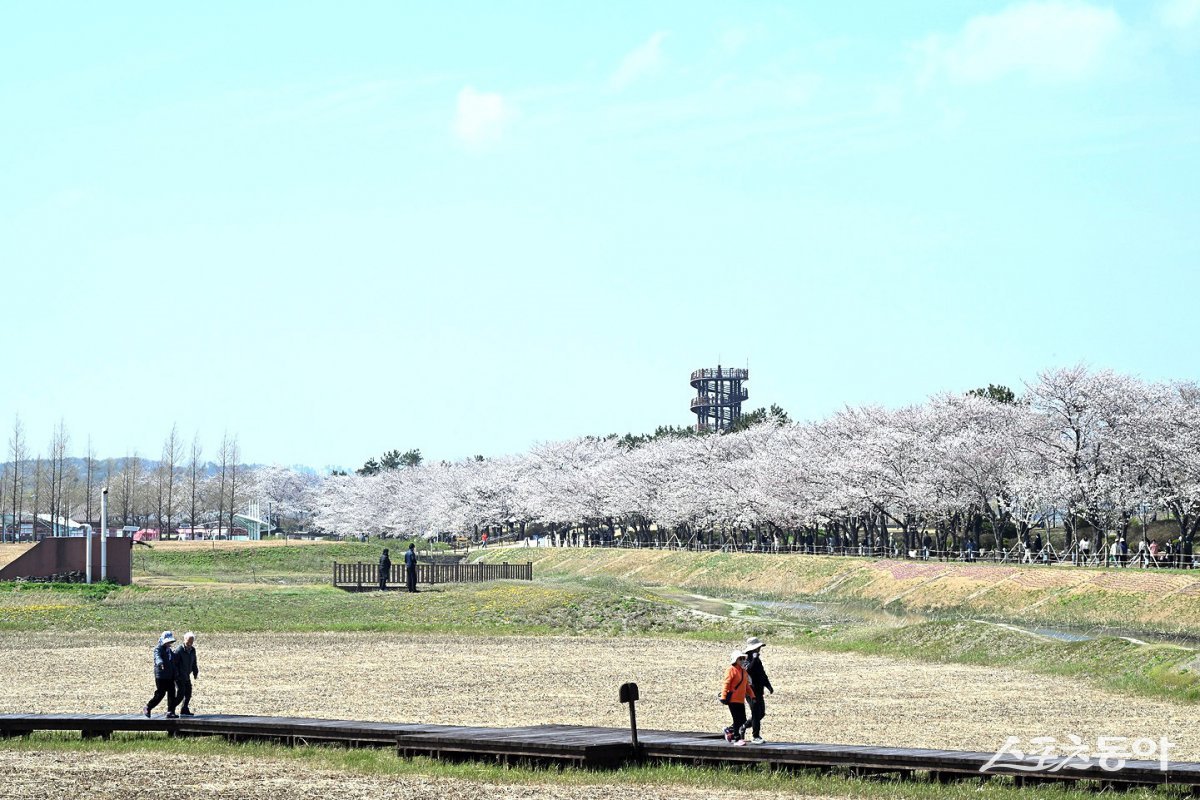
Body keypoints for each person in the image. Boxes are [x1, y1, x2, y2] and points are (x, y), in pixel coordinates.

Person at [717, 650, 755, 746]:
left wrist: (753, 696)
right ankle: (738, 739)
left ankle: (729, 731)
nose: (742, 660)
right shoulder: (731, 669)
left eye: (743, 658)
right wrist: (724, 696)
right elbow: (726, 683)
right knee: (737, 719)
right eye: (740, 658)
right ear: (735, 659)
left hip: (740, 700)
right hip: (733, 700)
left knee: (742, 719)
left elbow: (747, 686)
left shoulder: (743, 671)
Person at [743, 636, 774, 744]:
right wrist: (755, 659)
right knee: (756, 713)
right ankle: (755, 736)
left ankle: (744, 726)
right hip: (750, 691)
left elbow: (762, 674)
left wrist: (768, 685)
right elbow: (748, 671)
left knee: (761, 713)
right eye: (758, 647)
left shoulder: (757, 659)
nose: (759, 649)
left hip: (759, 690)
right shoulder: (746, 659)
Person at [143, 631, 178, 719]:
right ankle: (148, 707)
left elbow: (173, 661)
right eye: (167, 642)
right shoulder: (158, 649)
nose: (169, 643)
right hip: (161, 676)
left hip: (170, 675)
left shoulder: (169, 650)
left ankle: (170, 711)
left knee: (172, 693)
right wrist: (160, 663)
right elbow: (157, 657)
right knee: (160, 694)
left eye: (170, 642)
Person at [174, 632, 200, 716]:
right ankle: (171, 709)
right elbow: (174, 664)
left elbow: (194, 661)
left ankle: (184, 709)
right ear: (184, 640)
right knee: (181, 694)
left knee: (188, 692)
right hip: (179, 676)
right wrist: (177, 675)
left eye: (191, 642)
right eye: (188, 642)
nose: (189, 644)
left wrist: (195, 671)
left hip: (186, 675)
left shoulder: (192, 650)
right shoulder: (179, 650)